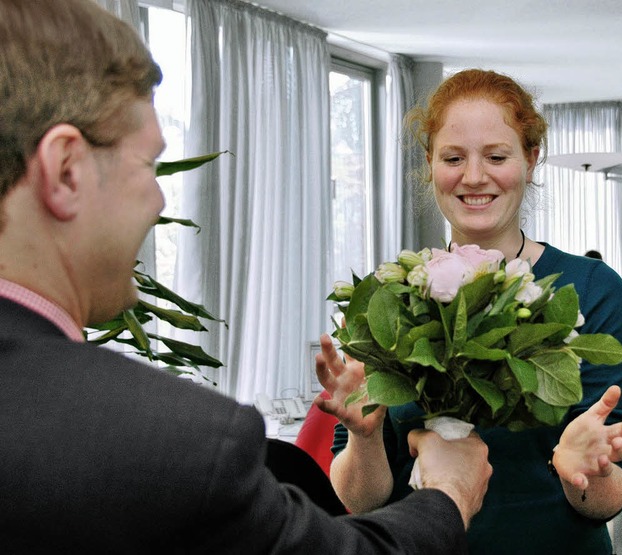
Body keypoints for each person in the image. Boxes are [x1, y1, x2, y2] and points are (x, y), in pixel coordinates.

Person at [0, 1, 493, 553]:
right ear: (66, 169)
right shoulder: (170, 441)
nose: (159, 198)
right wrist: (448, 491)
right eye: (149, 167)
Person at [315, 69, 622, 554]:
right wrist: (364, 435)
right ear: (430, 163)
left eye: (496, 156)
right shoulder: (391, 298)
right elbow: (359, 502)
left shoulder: (592, 290)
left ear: (530, 160)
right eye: (453, 157)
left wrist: (584, 475)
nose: (473, 176)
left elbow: (611, 495)